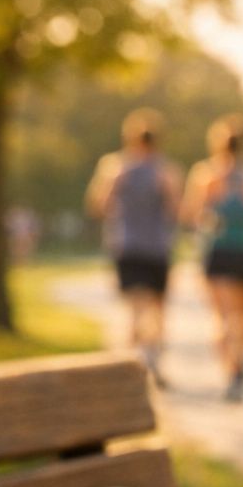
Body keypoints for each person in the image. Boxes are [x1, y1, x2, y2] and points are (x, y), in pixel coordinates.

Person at [184, 114, 243, 402]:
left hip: (219, 251)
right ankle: (242, 357)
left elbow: (192, 215)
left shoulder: (206, 176)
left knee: (222, 318)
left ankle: (231, 371)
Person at [86, 109, 181, 386]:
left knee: (136, 309)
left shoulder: (116, 167)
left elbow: (98, 206)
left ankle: (133, 363)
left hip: (128, 245)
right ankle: (150, 359)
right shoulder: (167, 171)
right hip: (157, 248)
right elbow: (178, 211)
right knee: (157, 310)